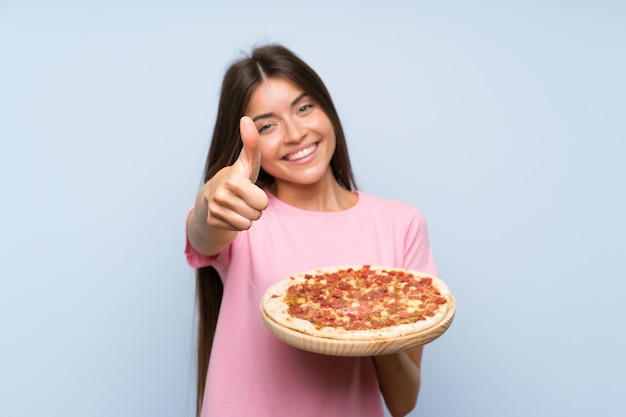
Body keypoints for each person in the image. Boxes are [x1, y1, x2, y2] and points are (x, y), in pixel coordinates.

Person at [185, 44, 438, 417]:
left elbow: (403, 402)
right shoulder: (243, 215)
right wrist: (212, 199)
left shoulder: (401, 223)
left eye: (304, 108)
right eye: (267, 125)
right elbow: (205, 230)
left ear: (327, 110)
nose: (294, 133)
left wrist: (377, 318)